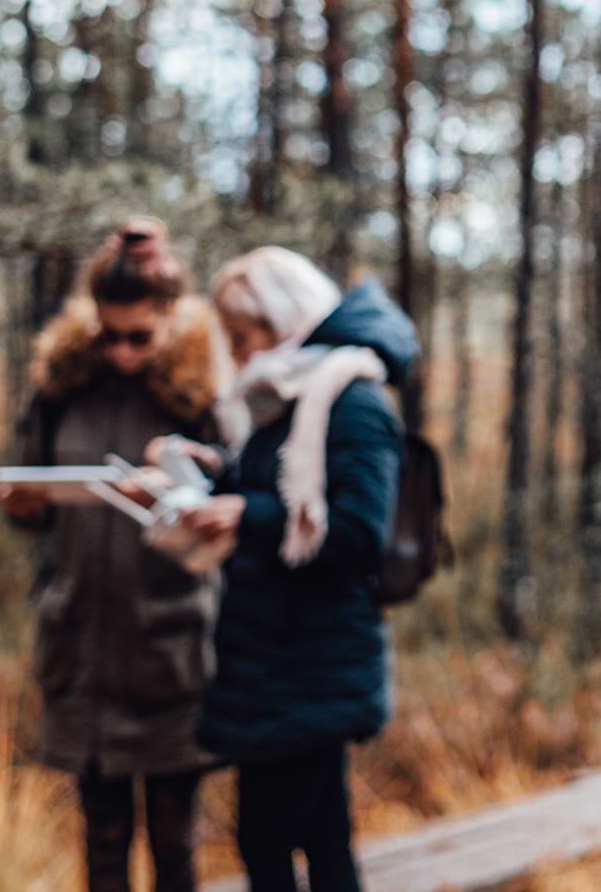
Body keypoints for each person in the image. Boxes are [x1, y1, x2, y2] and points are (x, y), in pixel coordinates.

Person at [0, 219, 227, 892]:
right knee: (100, 843)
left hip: (169, 648)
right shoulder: (59, 387)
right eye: (109, 333)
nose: (123, 351)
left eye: (140, 336)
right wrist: (23, 507)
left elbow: (234, 508)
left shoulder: (200, 396)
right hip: (82, 648)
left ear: (171, 320)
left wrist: (175, 492)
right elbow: (31, 501)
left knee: (175, 840)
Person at [182, 247, 417, 892]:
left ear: (284, 320)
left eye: (242, 334)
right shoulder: (282, 399)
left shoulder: (351, 404)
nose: (233, 350)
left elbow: (358, 536)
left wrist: (245, 516)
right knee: (318, 839)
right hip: (277, 661)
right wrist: (199, 474)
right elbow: (270, 489)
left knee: (269, 843)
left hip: (309, 661)